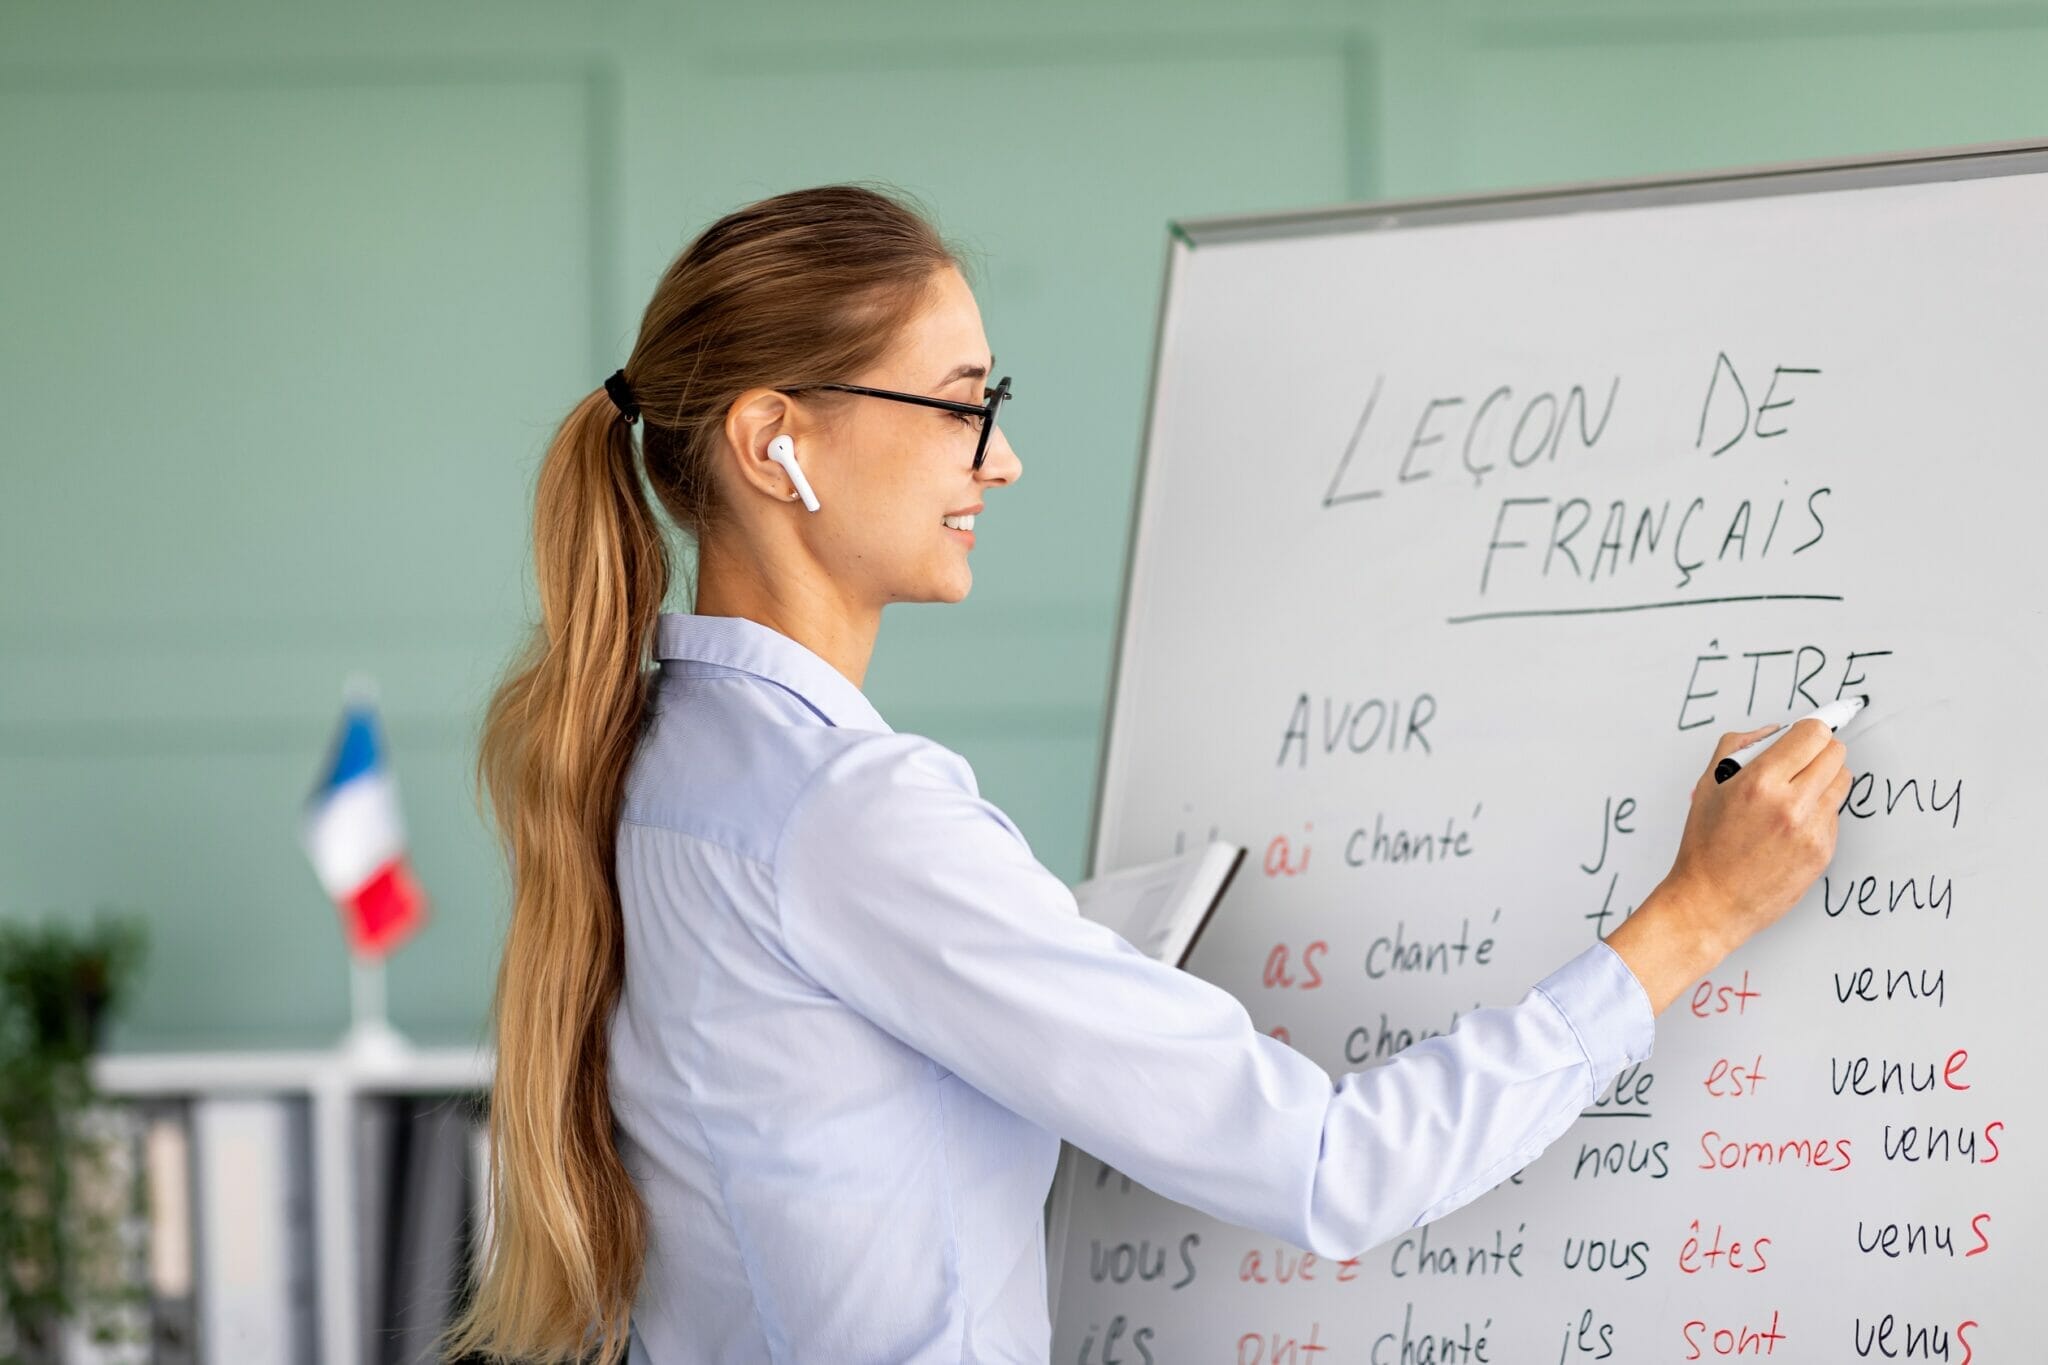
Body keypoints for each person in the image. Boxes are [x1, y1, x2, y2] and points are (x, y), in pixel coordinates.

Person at [443, 183, 1853, 1365]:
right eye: (954, 405)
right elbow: (1338, 1168)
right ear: (773, 440)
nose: (1000, 460)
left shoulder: (656, 753)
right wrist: (1698, 917)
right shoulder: (850, 811)